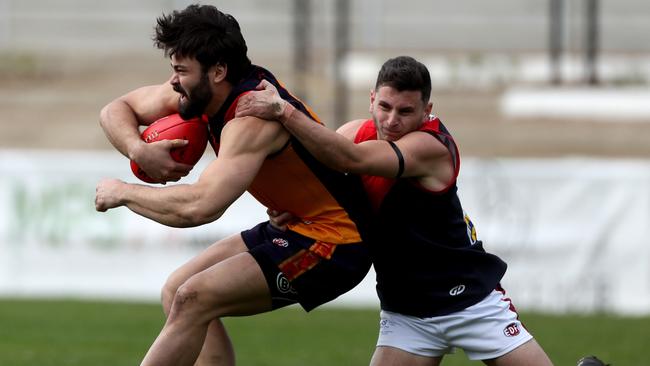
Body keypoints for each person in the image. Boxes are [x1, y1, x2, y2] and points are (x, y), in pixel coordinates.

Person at [94, 5, 373, 366]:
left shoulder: (251, 118)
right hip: (297, 223)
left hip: (337, 241)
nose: (174, 81)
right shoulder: (199, 91)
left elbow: (200, 206)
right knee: (177, 290)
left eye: (181, 70)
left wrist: (125, 192)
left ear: (219, 70)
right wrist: (139, 150)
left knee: (194, 297)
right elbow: (115, 109)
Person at [235, 56, 554, 365]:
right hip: (407, 311)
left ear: (426, 110)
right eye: (384, 107)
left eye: (405, 111)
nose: (391, 120)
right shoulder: (352, 135)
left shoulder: (431, 148)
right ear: (371, 99)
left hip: (469, 300)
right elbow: (319, 179)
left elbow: (351, 160)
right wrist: (292, 208)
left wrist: (284, 110)